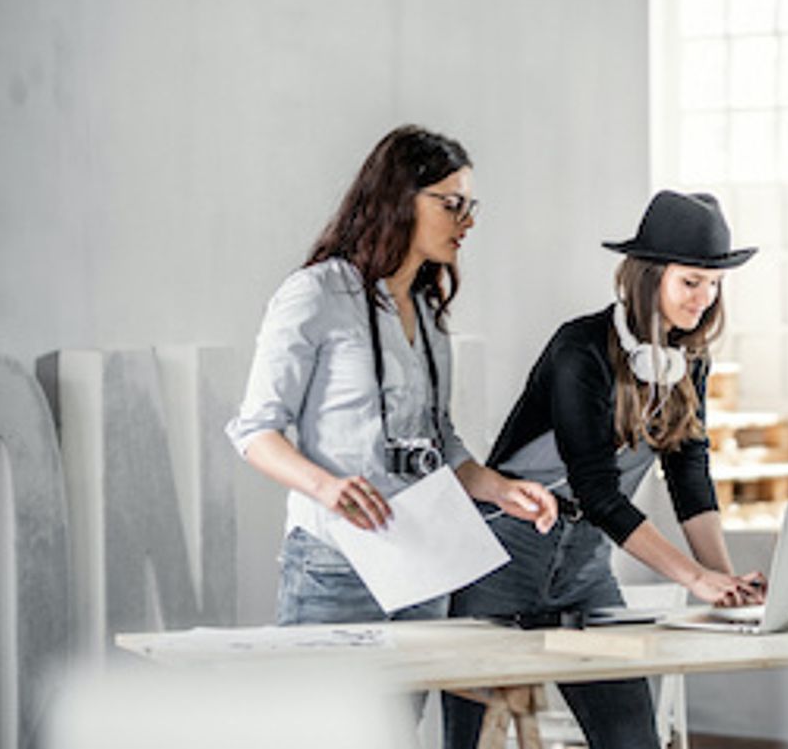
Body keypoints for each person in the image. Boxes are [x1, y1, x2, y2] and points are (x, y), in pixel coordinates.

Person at [443, 190, 768, 749]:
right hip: (501, 557)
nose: (705, 297)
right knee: (470, 743)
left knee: (630, 735)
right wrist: (692, 578)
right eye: (691, 282)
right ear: (650, 277)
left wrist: (726, 585)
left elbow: (689, 475)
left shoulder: (689, 359)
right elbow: (597, 489)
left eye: (714, 284)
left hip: (585, 566)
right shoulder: (580, 349)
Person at [225, 124, 557, 633]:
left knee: (400, 718)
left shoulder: (427, 311)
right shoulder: (315, 294)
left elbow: (441, 442)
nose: (466, 221)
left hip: (422, 561)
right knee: (329, 716)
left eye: (470, 206)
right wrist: (326, 487)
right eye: (451, 204)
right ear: (400, 198)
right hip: (334, 564)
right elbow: (256, 432)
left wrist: (502, 490)